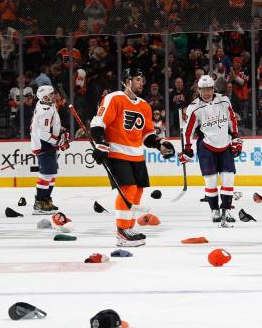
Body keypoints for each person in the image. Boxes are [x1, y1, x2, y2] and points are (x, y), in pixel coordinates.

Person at [90, 68, 175, 247]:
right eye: (137, 79)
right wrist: (100, 143)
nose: (141, 83)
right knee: (127, 189)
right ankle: (121, 231)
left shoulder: (144, 105)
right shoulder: (115, 98)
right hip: (117, 153)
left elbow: (147, 135)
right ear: (127, 82)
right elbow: (98, 122)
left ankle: (129, 227)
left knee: (137, 191)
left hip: (137, 155)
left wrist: (160, 144)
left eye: (142, 79)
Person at [179, 75, 242, 227]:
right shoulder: (194, 107)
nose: (206, 93)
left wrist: (236, 138)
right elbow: (188, 131)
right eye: (203, 90)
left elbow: (232, 120)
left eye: (209, 89)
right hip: (206, 147)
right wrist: (187, 149)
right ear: (199, 90)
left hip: (225, 144)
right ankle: (214, 210)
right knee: (211, 181)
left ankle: (226, 210)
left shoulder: (224, 100)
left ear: (213, 88)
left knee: (228, 178)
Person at [30, 85, 70, 214]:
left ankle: (46, 200)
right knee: (46, 174)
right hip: (44, 145)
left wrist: (60, 130)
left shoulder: (45, 105)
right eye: (52, 94)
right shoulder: (45, 109)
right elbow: (42, 133)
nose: (55, 96)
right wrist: (58, 141)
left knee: (51, 174)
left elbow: (48, 125)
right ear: (46, 96)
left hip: (46, 144)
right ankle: (39, 203)